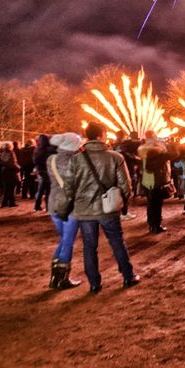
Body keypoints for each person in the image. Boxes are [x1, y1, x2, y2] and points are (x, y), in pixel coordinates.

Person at [60, 121, 138, 293]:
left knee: (89, 246)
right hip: (108, 208)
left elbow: (68, 186)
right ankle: (127, 276)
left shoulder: (76, 159)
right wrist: (124, 205)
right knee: (117, 242)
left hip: (84, 209)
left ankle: (94, 283)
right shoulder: (115, 157)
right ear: (101, 135)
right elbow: (126, 185)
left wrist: (72, 204)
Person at [45, 132, 83, 290]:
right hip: (70, 205)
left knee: (64, 239)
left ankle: (54, 277)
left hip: (54, 203)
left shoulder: (51, 159)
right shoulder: (76, 162)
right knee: (67, 241)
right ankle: (62, 279)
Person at [138, 134, 172, 233]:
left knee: (150, 203)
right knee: (157, 204)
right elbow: (173, 153)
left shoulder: (141, 148)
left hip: (146, 177)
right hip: (156, 179)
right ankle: (157, 225)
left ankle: (151, 223)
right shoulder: (157, 150)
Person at [33, 134, 53, 212]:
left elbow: (34, 161)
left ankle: (37, 206)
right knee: (48, 190)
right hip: (48, 171)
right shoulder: (50, 150)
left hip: (40, 171)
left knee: (40, 189)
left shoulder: (37, 150)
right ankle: (48, 207)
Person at [0, 142, 20, 207]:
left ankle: (4, 202)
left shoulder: (2, 153)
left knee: (7, 188)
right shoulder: (11, 153)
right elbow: (12, 163)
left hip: (4, 171)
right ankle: (11, 202)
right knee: (11, 187)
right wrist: (18, 167)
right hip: (11, 171)